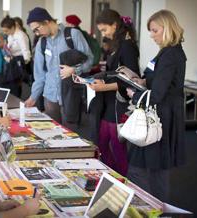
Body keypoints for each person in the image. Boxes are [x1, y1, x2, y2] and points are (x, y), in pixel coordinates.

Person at [126, 10, 186, 202]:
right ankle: (156, 208)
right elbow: (160, 83)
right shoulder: (169, 51)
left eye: (154, 30)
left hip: (160, 117)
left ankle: (150, 208)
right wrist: (143, 82)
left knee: (143, 169)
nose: (151, 35)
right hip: (161, 114)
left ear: (167, 28)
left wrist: (135, 94)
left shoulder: (170, 54)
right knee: (155, 168)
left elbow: (158, 94)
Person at [89, 9, 140, 176]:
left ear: (115, 25)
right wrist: (101, 81)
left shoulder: (127, 45)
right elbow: (114, 73)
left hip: (119, 104)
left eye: (105, 30)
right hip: (108, 102)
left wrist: (103, 86)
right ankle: (113, 176)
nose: (103, 33)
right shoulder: (115, 44)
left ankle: (122, 180)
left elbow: (131, 80)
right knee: (102, 144)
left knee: (117, 148)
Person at [25, 7, 93, 129]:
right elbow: (40, 75)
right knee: (51, 134)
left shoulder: (73, 35)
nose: (37, 33)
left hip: (70, 95)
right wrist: (33, 97)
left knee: (71, 135)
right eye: (34, 31)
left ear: (46, 21)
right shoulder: (42, 43)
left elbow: (90, 60)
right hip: (50, 97)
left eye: (37, 29)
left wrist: (74, 70)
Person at [1, 16, 31, 97]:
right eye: (3, 31)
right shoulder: (11, 35)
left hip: (20, 62)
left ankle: (16, 103)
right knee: (9, 85)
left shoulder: (21, 35)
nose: (5, 33)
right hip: (12, 60)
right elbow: (9, 48)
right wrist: (7, 54)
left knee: (15, 86)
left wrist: (23, 66)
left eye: (6, 31)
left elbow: (26, 51)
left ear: (13, 27)